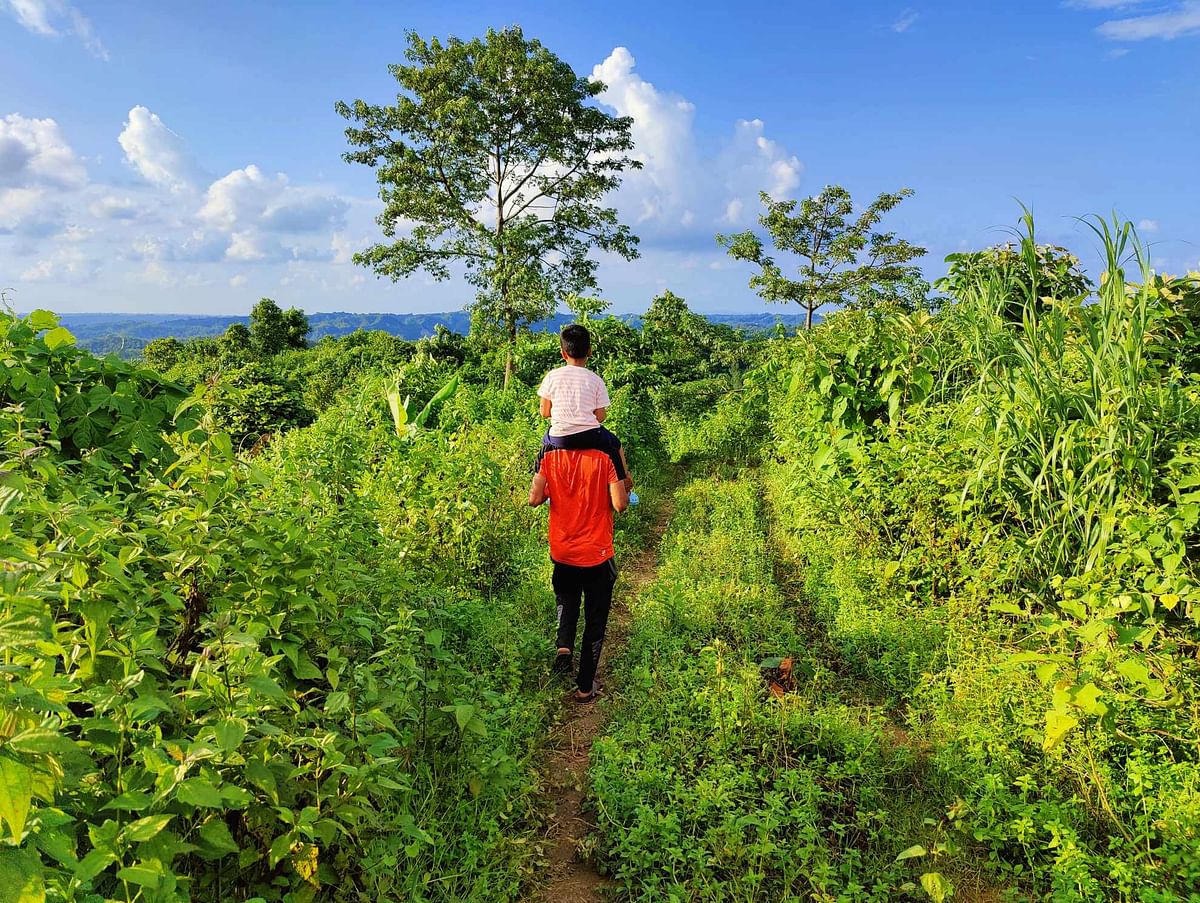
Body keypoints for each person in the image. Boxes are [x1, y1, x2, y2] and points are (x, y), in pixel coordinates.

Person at [529, 441, 629, 703]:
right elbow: (620, 504)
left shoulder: (549, 451)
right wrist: (621, 487)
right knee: (595, 620)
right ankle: (585, 687)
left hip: (563, 551)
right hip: (596, 553)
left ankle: (564, 647)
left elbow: (535, 498)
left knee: (567, 596)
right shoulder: (606, 449)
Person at [533, 324, 633, 491]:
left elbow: (544, 412)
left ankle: (538, 487)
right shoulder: (595, 379)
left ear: (563, 353)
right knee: (615, 443)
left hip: (559, 438)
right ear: (590, 351)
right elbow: (601, 416)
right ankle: (623, 481)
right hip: (590, 437)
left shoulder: (551, 376)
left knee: (542, 452)